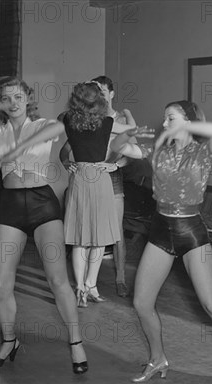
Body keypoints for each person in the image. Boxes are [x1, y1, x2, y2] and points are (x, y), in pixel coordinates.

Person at [110, 100, 212, 384]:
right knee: (141, 302)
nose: (164, 123)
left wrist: (183, 125)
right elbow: (120, 148)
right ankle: (158, 359)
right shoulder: (158, 151)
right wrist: (129, 130)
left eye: (169, 118)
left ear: (187, 120)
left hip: (190, 231)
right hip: (161, 229)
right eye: (164, 119)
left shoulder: (202, 151)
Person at [0, 77, 88, 374]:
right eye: (6, 98)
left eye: (18, 97)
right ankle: (10, 339)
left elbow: (61, 127)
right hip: (9, 205)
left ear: (28, 98)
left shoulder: (42, 125)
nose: (13, 103)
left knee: (58, 279)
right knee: (1, 282)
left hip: (42, 204)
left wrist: (17, 150)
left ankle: (76, 343)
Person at [61, 82, 133, 308]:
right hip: (100, 177)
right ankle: (90, 284)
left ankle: (81, 289)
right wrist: (127, 112)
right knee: (100, 238)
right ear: (100, 100)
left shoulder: (67, 120)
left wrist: (66, 162)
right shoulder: (108, 122)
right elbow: (132, 128)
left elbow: (63, 148)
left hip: (80, 176)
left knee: (80, 238)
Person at [91, 75, 136, 298]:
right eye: (94, 90)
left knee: (117, 233)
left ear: (111, 93)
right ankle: (88, 281)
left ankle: (120, 279)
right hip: (90, 179)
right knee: (91, 231)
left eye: (101, 89)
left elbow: (134, 152)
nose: (98, 93)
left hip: (113, 178)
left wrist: (116, 164)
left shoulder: (121, 119)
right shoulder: (90, 117)